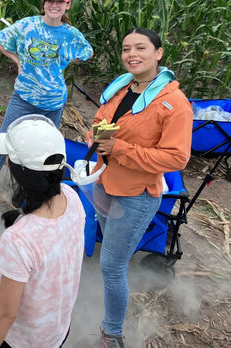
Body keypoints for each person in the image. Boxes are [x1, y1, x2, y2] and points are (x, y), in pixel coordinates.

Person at [87, 28, 192, 347]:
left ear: (159, 53)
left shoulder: (174, 103)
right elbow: (101, 120)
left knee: (112, 265)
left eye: (141, 48)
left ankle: (112, 335)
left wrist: (118, 149)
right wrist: (96, 136)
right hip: (103, 183)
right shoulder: (120, 89)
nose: (132, 54)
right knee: (110, 257)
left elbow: (177, 157)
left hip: (135, 195)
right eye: (126, 48)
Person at [0, 115, 85, 348]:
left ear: (15, 169)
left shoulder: (18, 239)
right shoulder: (72, 197)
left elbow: (6, 314)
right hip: (57, 330)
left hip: (23, 342)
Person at [0, 0, 93, 183]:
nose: (54, 5)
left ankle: (30, 185)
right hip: (24, 97)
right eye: (50, 0)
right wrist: (18, 61)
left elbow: (87, 52)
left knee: (42, 146)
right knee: (5, 138)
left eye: (60, 1)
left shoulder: (70, 34)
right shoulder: (28, 25)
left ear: (67, 5)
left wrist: (63, 62)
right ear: (44, 3)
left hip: (54, 102)